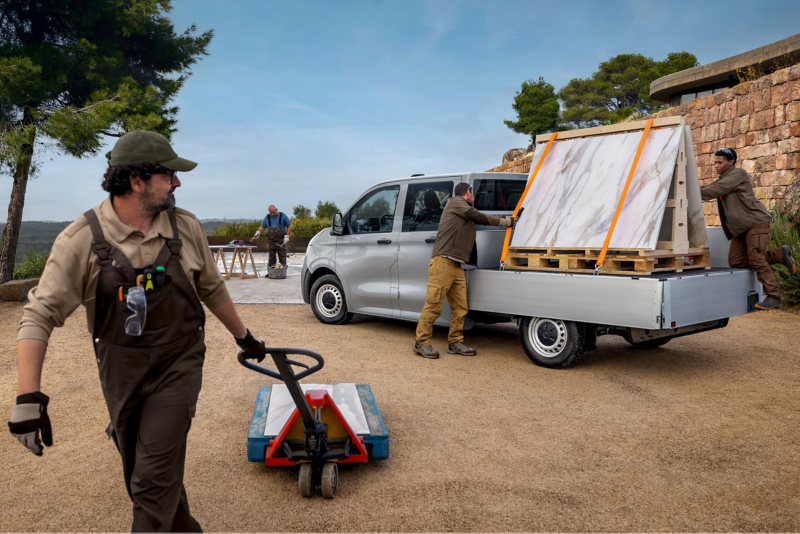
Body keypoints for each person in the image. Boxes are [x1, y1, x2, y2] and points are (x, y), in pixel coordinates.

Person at [7, 130, 268, 532]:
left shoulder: (186, 228)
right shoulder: (81, 240)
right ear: (136, 181)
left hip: (178, 364)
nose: (177, 182)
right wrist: (27, 398)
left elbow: (211, 289)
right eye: (169, 175)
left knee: (149, 483)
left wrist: (243, 337)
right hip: (120, 373)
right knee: (144, 474)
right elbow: (38, 316)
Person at [414, 182, 515, 359]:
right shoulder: (455, 202)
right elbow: (477, 215)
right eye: (472, 193)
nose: (474, 197)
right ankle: (421, 343)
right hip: (443, 263)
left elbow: (474, 217)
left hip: (457, 265)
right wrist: (505, 221)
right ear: (467, 193)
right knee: (433, 305)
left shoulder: (463, 211)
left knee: (461, 306)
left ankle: (455, 342)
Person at [701, 147, 795, 310]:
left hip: (755, 223)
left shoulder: (738, 174)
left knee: (756, 259)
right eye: (715, 162)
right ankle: (780, 254)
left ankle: (774, 297)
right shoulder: (724, 177)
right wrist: (685, 189)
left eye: (720, 162)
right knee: (736, 261)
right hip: (741, 229)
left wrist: (689, 191)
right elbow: (708, 188)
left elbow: (714, 190)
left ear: (731, 162)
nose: (716, 165)